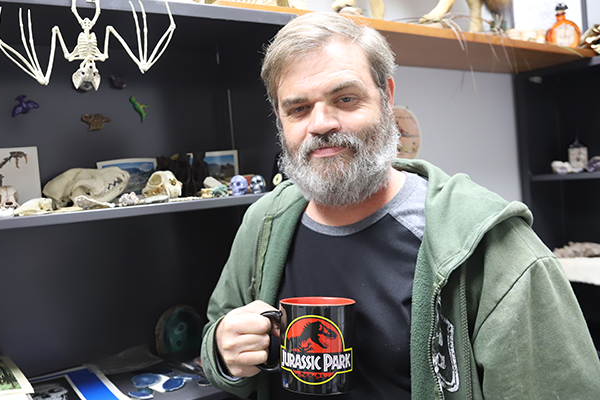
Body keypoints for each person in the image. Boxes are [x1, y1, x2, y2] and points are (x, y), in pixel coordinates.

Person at [200, 12, 600, 400]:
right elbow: (219, 334)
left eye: (345, 98)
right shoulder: (264, 223)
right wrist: (222, 350)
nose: (321, 123)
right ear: (280, 118)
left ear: (387, 97)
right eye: (299, 108)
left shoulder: (491, 247)